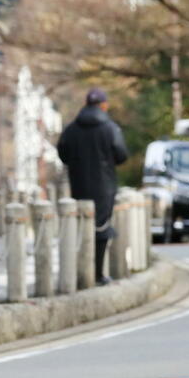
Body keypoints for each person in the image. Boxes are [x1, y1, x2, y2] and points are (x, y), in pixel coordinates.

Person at [56, 88, 128, 285]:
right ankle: (97, 274)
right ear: (103, 105)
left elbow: (62, 154)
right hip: (104, 187)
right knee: (101, 229)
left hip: (79, 185)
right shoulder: (110, 128)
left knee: (80, 228)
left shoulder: (71, 129)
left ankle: (79, 273)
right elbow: (121, 155)